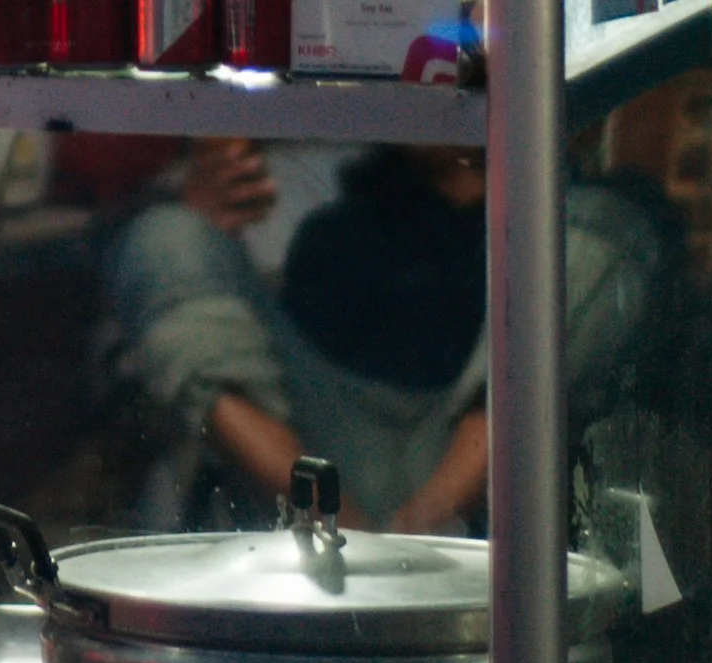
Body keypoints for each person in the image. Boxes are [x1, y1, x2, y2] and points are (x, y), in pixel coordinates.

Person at [103, 134, 670, 534]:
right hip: (311, 460)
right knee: (163, 236)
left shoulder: (566, 205)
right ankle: (343, 535)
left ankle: (414, 542)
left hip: (485, 459)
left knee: (603, 231)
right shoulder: (333, 217)